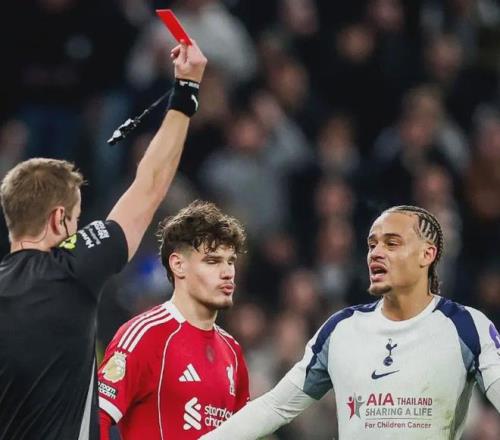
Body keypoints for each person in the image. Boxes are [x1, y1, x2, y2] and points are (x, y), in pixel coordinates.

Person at [0, 41, 207, 440]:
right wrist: (186, 91)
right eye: (76, 219)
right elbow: (149, 186)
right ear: (58, 219)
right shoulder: (70, 269)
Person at [200, 205, 500, 440]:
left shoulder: (466, 326)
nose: (376, 253)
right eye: (372, 245)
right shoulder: (341, 329)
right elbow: (275, 406)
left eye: (391, 243)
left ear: (427, 254)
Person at [97, 200, 250, 439]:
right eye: (212, 261)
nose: (227, 272)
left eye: (230, 261)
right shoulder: (145, 335)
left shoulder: (232, 351)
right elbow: (96, 417)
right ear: (178, 265)